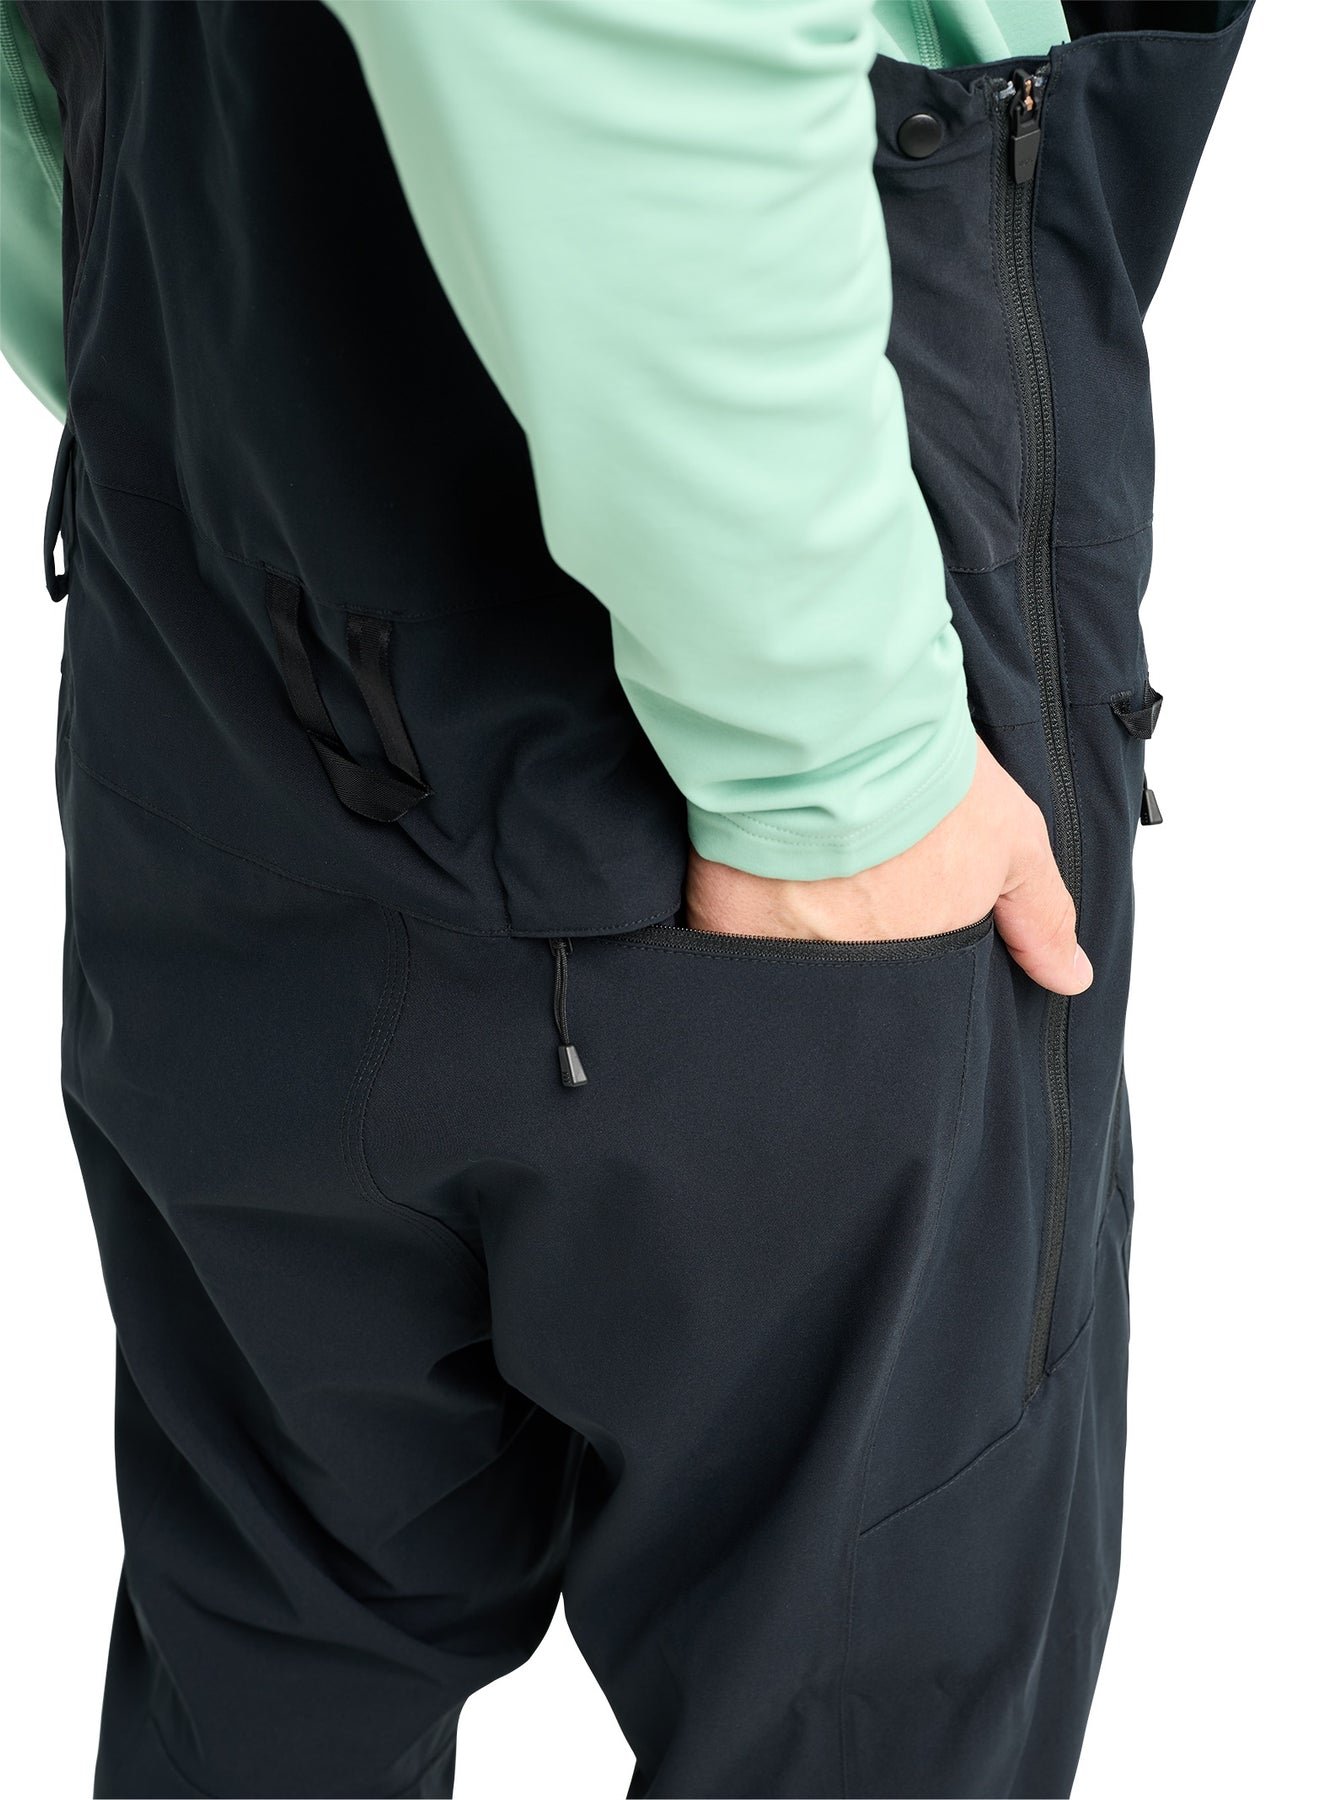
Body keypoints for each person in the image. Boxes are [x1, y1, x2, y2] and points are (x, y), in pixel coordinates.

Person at [0, 2, 1253, 1795]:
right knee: (862, 1716)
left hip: (224, 640)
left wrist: (176, 375)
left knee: (273, 1667)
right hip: (770, 719)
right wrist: (833, 754)